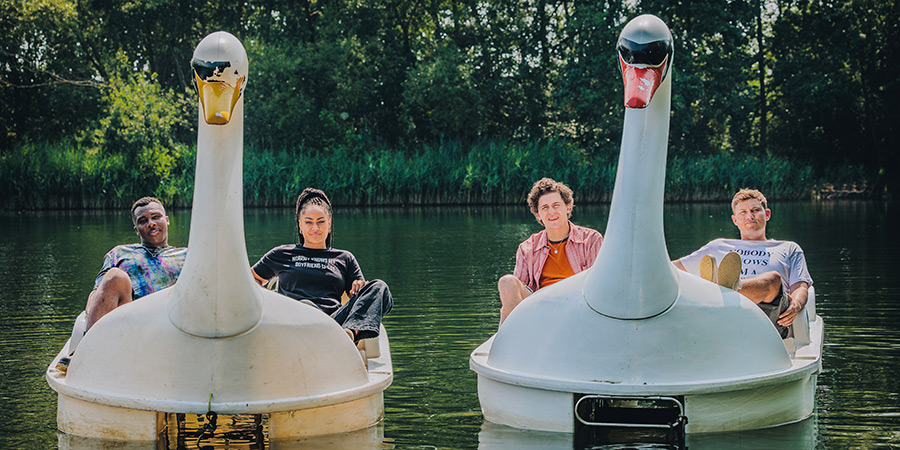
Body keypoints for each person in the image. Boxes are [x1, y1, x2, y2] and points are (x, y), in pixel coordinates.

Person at [56, 197, 187, 373]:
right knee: (116, 276)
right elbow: (97, 293)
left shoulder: (187, 255)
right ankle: (88, 352)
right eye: (143, 221)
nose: (150, 223)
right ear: (136, 229)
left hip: (172, 324)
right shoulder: (120, 253)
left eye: (156, 217)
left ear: (167, 220)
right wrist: (90, 315)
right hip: (131, 324)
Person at [251, 188, 392, 343]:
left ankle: (349, 335)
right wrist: (264, 303)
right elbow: (251, 278)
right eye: (309, 222)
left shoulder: (345, 258)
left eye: (321, 222)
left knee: (379, 287)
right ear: (300, 225)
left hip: (334, 325)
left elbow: (360, 297)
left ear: (329, 224)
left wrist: (359, 286)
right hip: (294, 323)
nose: (315, 228)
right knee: (304, 305)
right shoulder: (281, 253)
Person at [674, 188, 812, 338]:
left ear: (767, 214)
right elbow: (672, 269)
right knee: (693, 282)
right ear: (735, 220)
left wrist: (796, 305)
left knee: (773, 279)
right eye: (743, 212)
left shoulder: (788, 248)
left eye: (755, 210)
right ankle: (720, 291)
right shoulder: (718, 246)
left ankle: (725, 289)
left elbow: (800, 286)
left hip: (770, 320)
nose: (750, 216)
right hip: (726, 317)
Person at [497, 178, 603, 324]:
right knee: (507, 282)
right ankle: (516, 340)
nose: (551, 211)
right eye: (545, 207)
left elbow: (599, 287)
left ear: (567, 207)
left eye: (556, 205)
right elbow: (515, 297)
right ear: (538, 214)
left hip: (578, 308)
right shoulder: (527, 247)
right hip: (540, 309)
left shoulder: (591, 240)